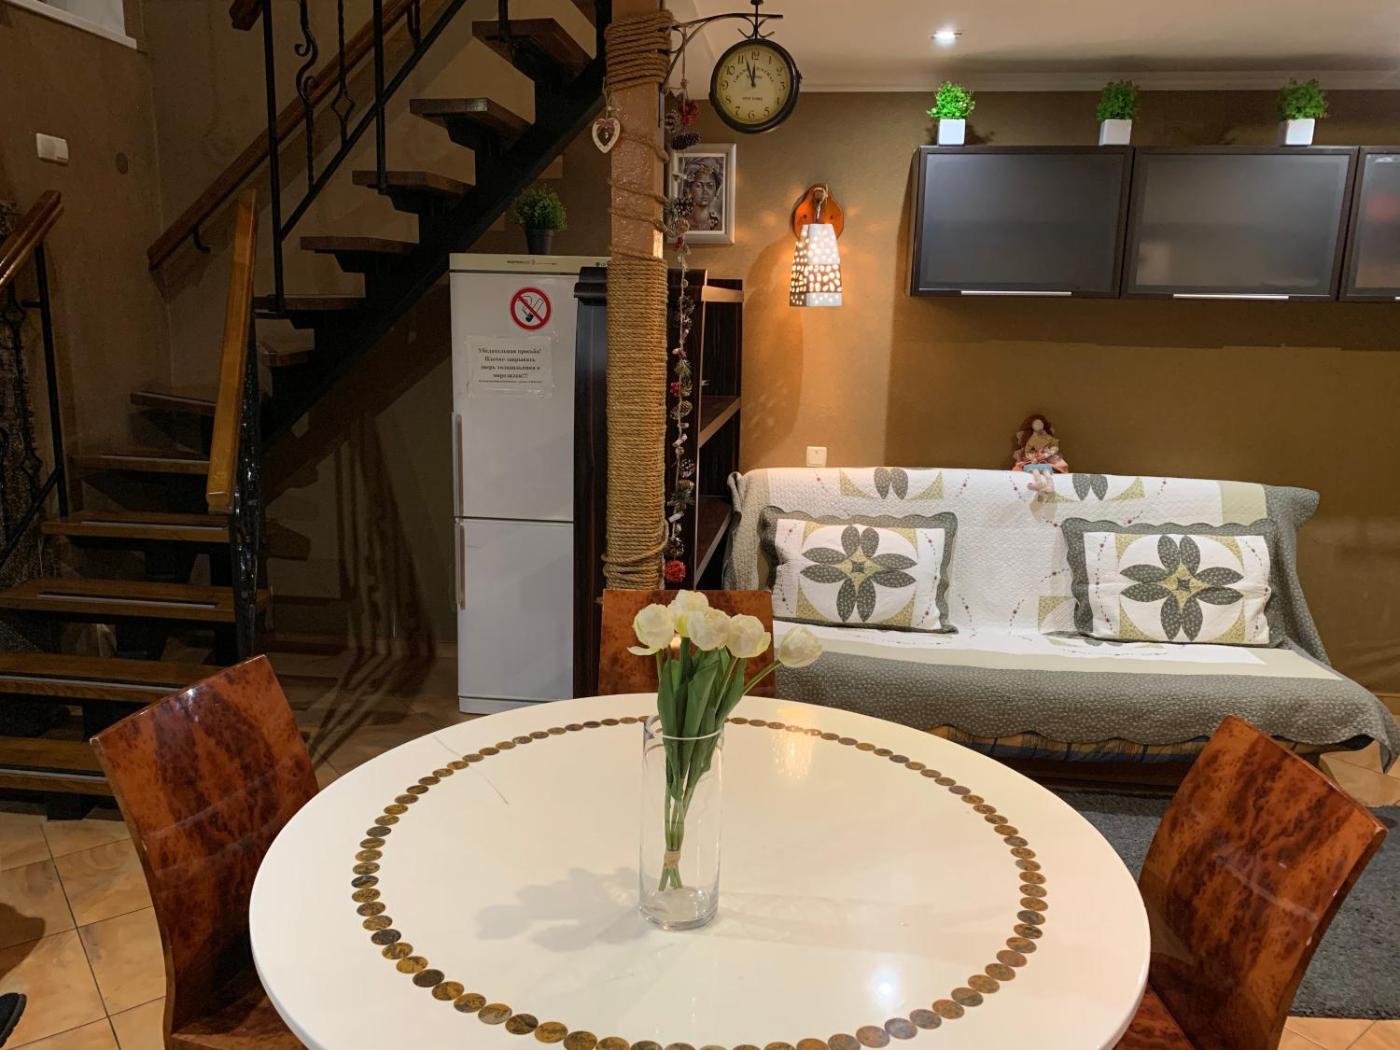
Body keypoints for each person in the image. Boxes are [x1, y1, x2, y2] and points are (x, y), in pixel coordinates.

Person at [682, 160, 724, 232]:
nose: (705, 191)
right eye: (698, 186)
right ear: (689, 190)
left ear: (716, 190)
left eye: (710, 185)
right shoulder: (682, 224)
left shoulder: (719, 226)